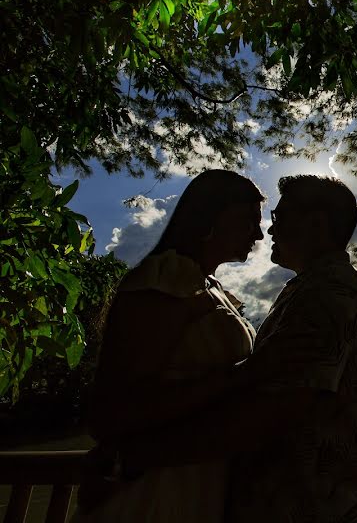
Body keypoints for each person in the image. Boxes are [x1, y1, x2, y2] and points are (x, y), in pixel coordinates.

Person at [103, 174, 357, 523]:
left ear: (315, 224)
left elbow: (275, 411)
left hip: (311, 511)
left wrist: (139, 456)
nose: (264, 232)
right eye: (251, 220)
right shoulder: (304, 290)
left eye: (275, 220)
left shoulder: (329, 294)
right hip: (193, 491)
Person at [76, 169, 266, 522]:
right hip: (156, 488)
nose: (258, 234)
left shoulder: (211, 288)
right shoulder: (163, 281)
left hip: (205, 482)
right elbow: (112, 411)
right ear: (210, 217)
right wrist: (238, 378)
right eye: (247, 221)